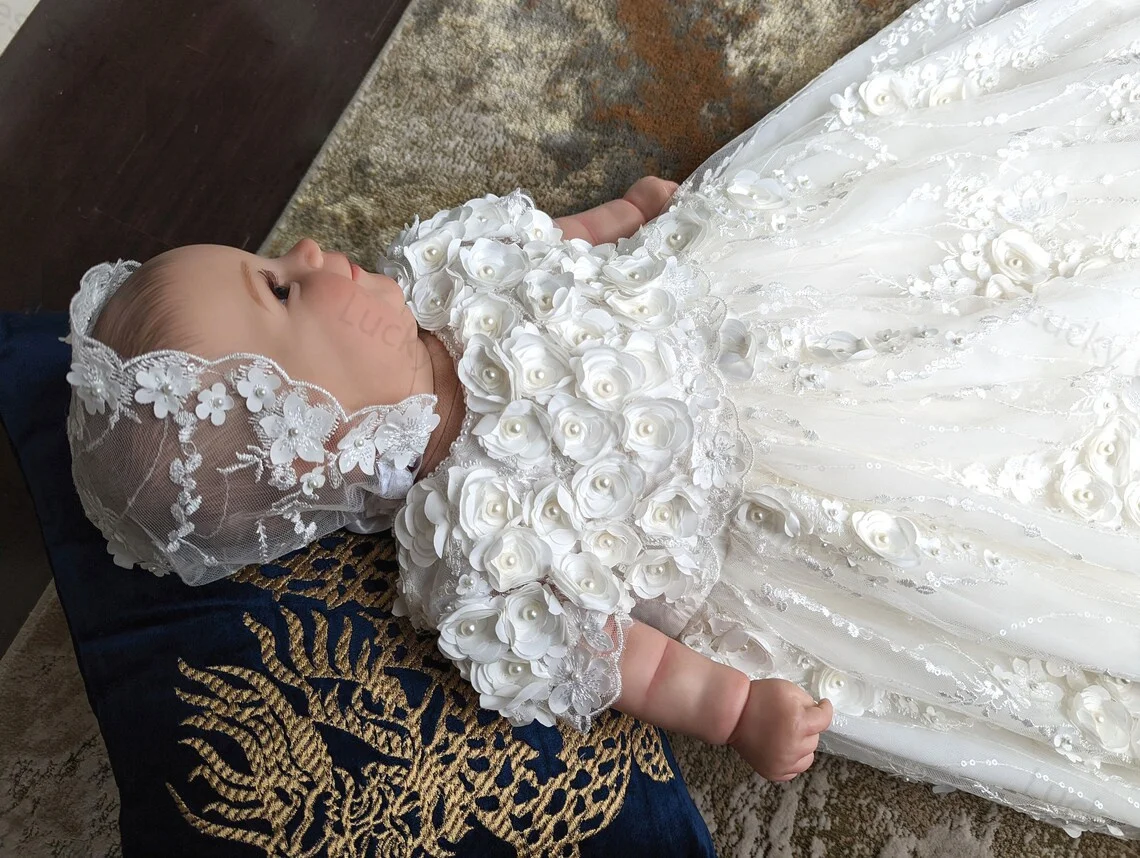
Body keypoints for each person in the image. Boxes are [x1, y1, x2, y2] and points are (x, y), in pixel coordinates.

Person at [65, 0, 1140, 840]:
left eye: (268, 257)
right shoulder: (474, 557)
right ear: (324, 432)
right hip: (761, 483)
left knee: (921, 236)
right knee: (976, 439)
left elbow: (552, 240)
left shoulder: (441, 267)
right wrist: (733, 711)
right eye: (282, 292)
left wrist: (626, 216)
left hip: (732, 290)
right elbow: (629, 659)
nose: (305, 251)